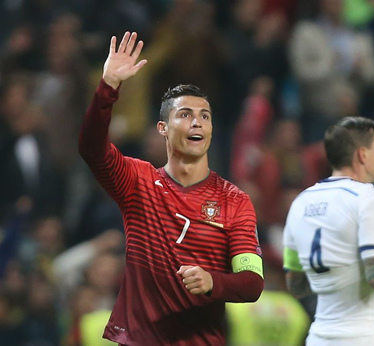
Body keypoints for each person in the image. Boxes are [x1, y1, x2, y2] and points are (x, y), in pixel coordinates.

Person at [78, 32, 264, 346]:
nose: (197, 123)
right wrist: (107, 86)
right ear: (162, 128)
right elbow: (91, 148)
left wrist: (212, 282)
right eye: (185, 115)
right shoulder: (137, 181)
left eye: (204, 116)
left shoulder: (235, 200)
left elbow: (252, 283)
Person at [282, 116, 374, 346]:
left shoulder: (300, 203)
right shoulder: (369, 195)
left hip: (320, 337)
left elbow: (296, 286)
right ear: (362, 155)